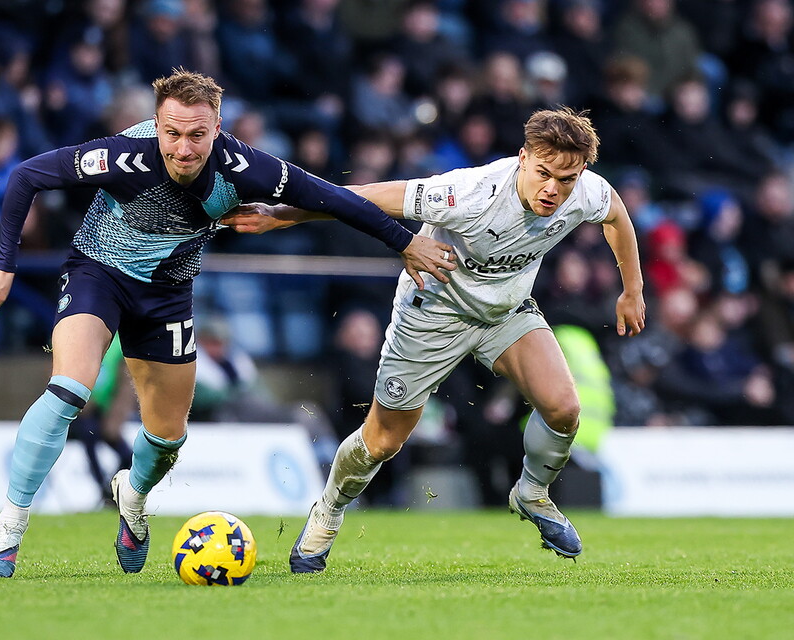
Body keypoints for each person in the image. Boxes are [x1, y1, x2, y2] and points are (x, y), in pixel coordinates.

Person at [0, 68, 454, 578]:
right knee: (69, 389)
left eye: (197, 135)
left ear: (218, 127)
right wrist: (3, 266)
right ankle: (8, 532)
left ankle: (131, 497)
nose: (182, 148)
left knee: (167, 438)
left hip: (169, 295)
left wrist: (405, 241)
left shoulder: (246, 167)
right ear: (156, 126)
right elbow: (27, 175)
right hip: (98, 274)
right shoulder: (120, 155)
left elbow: (333, 198)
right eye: (171, 133)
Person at [222, 107, 646, 570]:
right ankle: (328, 510)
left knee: (565, 408)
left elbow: (617, 216)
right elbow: (357, 197)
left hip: (505, 313)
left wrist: (632, 290)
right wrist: (277, 216)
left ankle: (532, 493)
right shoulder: (469, 193)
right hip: (433, 313)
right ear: (523, 158)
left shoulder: (585, 191)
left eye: (565, 179)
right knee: (382, 441)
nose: (553, 189)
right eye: (543, 173)